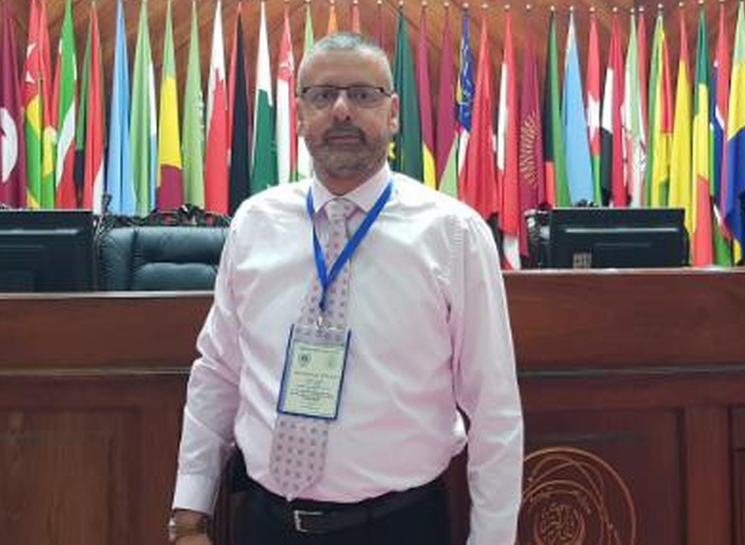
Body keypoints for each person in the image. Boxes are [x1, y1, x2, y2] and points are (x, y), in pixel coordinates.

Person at [169, 32, 523, 544]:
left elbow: (494, 406)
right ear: (299, 115)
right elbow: (219, 372)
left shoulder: (452, 234)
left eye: (362, 94)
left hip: (398, 527)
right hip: (266, 524)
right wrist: (188, 515)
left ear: (393, 113)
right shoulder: (254, 223)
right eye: (321, 95)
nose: (341, 110)